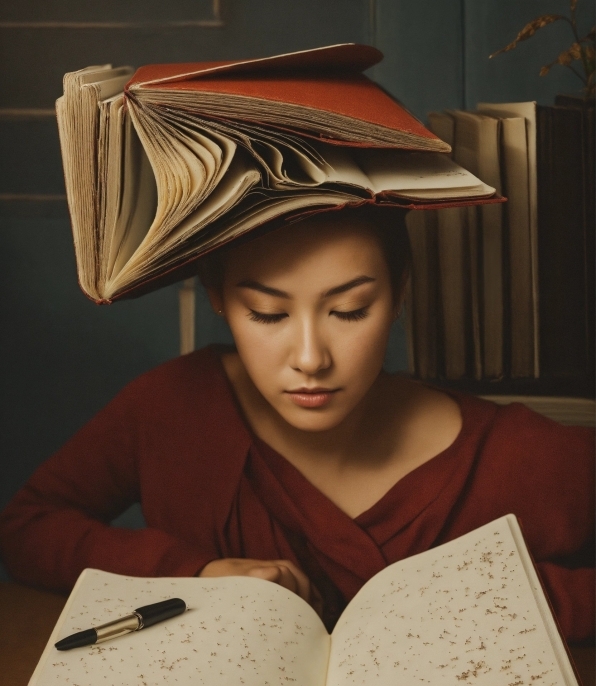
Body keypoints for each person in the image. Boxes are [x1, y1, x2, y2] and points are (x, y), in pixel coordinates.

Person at [0, 208, 593, 639]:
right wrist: (195, 572)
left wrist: (515, 601)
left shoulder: (519, 458)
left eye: (349, 310)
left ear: (400, 293)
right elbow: (26, 528)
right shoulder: (173, 407)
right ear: (217, 296)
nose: (310, 358)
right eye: (267, 313)